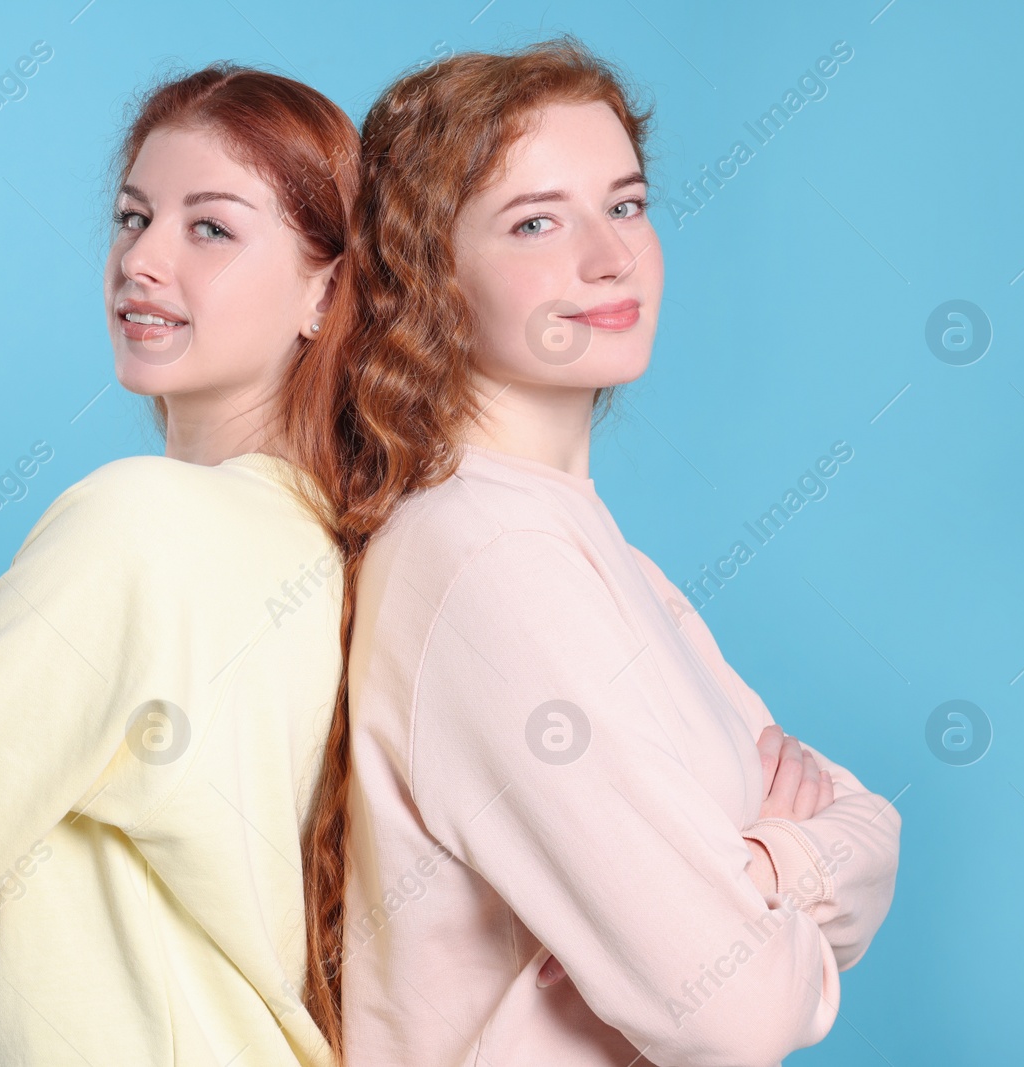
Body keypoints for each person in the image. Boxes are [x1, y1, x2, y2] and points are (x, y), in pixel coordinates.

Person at [299, 36, 902, 1066]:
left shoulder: (578, 540)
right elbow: (737, 1008)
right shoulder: (490, 563)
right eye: (536, 220)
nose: (610, 255)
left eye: (622, 204)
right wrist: (780, 865)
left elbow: (874, 828)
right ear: (429, 273)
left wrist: (746, 877)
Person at [0, 62, 361, 1066]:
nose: (143, 259)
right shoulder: (342, 549)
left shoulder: (139, 524)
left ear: (324, 287)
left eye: (210, 228)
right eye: (134, 216)